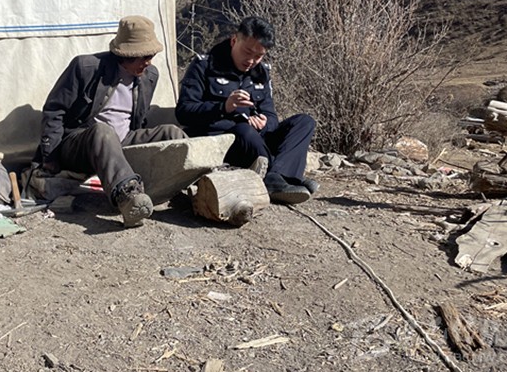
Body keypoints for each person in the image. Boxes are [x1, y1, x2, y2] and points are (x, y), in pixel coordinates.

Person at [33, 15, 186, 227]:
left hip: (122, 142)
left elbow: (139, 120)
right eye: (144, 56)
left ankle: (193, 185)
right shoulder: (86, 68)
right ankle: (127, 197)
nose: (148, 62)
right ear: (127, 54)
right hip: (81, 144)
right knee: (103, 131)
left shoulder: (149, 75)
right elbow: (54, 110)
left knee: (172, 133)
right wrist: (50, 158)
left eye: (151, 55)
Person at [175, 16, 317, 204]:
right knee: (243, 130)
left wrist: (264, 123)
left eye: (258, 56)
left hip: (257, 141)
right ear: (234, 40)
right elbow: (184, 112)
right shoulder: (204, 66)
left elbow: (271, 116)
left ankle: (277, 177)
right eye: (247, 52)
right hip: (226, 142)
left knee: (304, 122)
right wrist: (224, 107)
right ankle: (282, 179)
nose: (251, 60)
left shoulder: (261, 73)